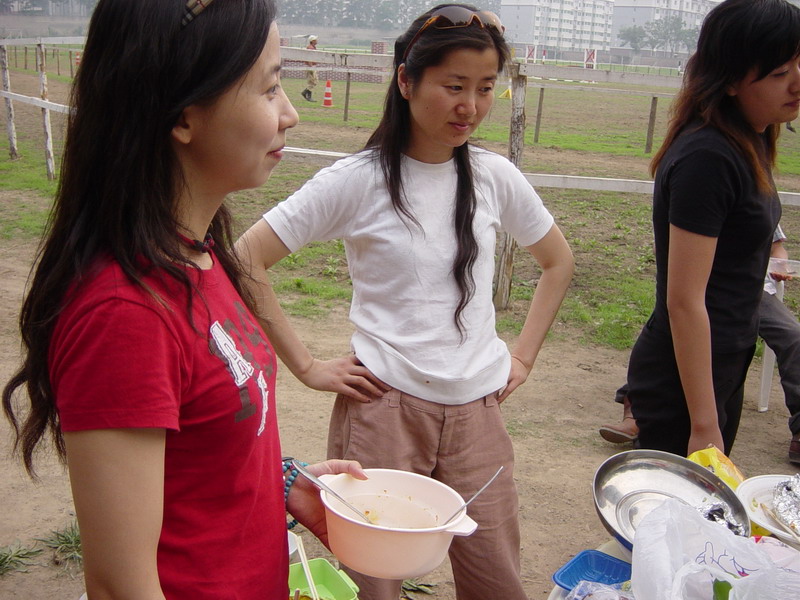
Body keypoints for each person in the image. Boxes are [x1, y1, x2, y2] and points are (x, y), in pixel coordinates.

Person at [0, 1, 366, 598]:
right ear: (183, 115)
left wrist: (283, 483)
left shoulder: (198, 255)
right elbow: (122, 586)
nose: (291, 114)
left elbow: (195, 445)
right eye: (270, 87)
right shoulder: (125, 314)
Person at [236, 4, 574, 599]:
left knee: (495, 574)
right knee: (375, 581)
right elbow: (247, 259)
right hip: (384, 413)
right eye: (454, 86)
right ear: (405, 81)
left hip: (479, 415)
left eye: (485, 88)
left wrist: (522, 359)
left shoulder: (495, 177)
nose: (470, 105)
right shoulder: (358, 179)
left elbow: (558, 261)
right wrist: (309, 369)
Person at [619, 0, 800, 458]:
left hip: (721, 360)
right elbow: (683, 299)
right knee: (672, 521)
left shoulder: (751, 137)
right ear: (732, 78)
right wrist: (704, 422)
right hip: (684, 379)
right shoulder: (710, 156)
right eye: (780, 72)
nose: (797, 82)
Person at [602, 227, 800, 464]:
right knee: (673, 333)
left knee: (794, 335)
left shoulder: (762, 195)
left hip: (753, 294)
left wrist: (779, 265)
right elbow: (670, 248)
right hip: (705, 290)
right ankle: (637, 411)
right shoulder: (705, 194)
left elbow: (777, 248)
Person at [301, 34, 319, 102]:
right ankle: (307, 94)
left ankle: (306, 94)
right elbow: (309, 58)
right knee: (313, 81)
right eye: (315, 39)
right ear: (313, 41)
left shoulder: (312, 47)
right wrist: (311, 66)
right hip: (310, 67)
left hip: (311, 66)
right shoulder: (311, 48)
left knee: (313, 81)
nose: (317, 40)